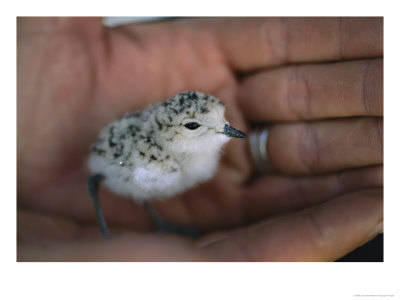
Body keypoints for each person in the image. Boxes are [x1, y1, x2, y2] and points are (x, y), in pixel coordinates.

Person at [17, 17, 383, 261]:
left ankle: (158, 223)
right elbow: (109, 162)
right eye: (196, 127)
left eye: (220, 121)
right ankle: (123, 225)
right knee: (103, 179)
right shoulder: (151, 154)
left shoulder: (191, 155)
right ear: (172, 133)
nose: (225, 130)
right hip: (112, 158)